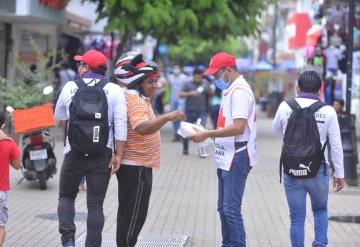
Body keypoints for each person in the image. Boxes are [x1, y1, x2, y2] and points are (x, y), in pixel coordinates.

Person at [55, 50, 127, 247]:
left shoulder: (70, 86)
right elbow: (121, 125)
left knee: (67, 196)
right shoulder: (114, 90)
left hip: (74, 152)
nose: (79, 67)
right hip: (101, 154)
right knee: (95, 204)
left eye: (81, 64)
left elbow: (60, 115)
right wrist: (118, 155)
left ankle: (68, 241)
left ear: (86, 67)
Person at [113, 51, 186, 247]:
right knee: (134, 214)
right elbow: (142, 128)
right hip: (135, 166)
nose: (155, 86)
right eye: (150, 82)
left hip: (140, 165)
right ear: (138, 82)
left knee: (130, 212)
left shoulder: (138, 98)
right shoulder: (135, 101)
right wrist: (167, 117)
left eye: (156, 81)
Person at [191, 52, 257, 247]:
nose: (214, 79)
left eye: (216, 74)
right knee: (223, 208)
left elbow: (238, 127)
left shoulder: (240, 92)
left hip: (237, 155)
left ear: (228, 70)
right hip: (227, 154)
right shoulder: (230, 89)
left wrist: (207, 134)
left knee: (231, 209)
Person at [272, 71, 345, 247]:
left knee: (296, 217)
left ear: (297, 88)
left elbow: (275, 129)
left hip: (292, 169)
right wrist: (339, 174)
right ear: (320, 90)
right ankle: (320, 242)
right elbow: (336, 145)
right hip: (318, 170)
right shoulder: (328, 111)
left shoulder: (285, 106)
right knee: (320, 210)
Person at [0, 112, 21, 247]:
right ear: (3, 124)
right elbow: (17, 165)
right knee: (0, 227)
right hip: (0, 192)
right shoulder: (8, 143)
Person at [180, 67, 211, 155]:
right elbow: (181, 94)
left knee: (202, 131)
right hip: (190, 111)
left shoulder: (205, 83)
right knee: (187, 131)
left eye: (200, 77)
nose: (198, 79)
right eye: (196, 77)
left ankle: (201, 151)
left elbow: (211, 94)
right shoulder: (187, 83)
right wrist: (191, 93)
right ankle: (185, 149)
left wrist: (208, 89)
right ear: (193, 76)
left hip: (201, 111)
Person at [167, 64, 188, 141]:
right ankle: (176, 134)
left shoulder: (184, 78)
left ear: (180, 69)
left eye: (177, 68)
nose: (176, 69)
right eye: (175, 68)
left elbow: (187, 88)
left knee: (181, 116)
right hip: (173, 99)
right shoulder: (170, 77)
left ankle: (182, 133)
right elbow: (168, 88)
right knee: (173, 117)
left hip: (181, 100)